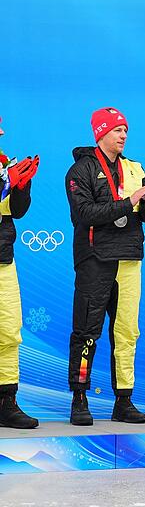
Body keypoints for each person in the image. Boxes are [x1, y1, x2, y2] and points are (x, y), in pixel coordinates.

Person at [65, 107, 145, 425]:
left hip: (129, 259)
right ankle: (79, 398)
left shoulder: (134, 168)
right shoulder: (81, 171)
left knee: (127, 333)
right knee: (87, 331)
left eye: (126, 130)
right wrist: (129, 201)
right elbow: (84, 215)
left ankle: (124, 400)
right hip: (95, 259)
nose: (123, 135)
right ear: (101, 133)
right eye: (118, 130)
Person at [0, 117, 39, 428]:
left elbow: (16, 211)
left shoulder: (3, 162)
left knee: (10, 332)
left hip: (4, 259)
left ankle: (6, 403)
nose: (1, 132)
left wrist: (21, 186)